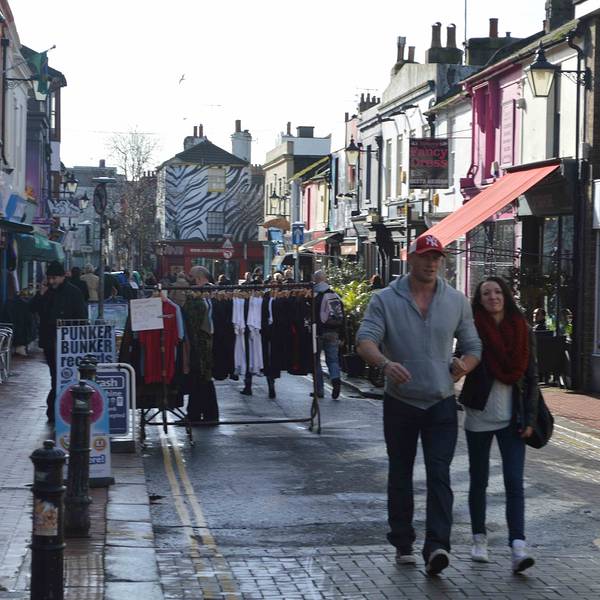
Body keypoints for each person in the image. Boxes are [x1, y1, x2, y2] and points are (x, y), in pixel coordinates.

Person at [356, 234, 481, 575]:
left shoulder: (456, 301)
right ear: (410, 258)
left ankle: (438, 546)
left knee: (439, 474)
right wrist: (385, 364)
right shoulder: (385, 299)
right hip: (401, 402)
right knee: (401, 472)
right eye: (425, 256)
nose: (431, 263)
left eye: (436, 257)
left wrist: (464, 365)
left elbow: (473, 346)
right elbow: (365, 340)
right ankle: (403, 542)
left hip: (441, 402)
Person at [458, 277, 538, 573]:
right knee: (478, 480)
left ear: (505, 295)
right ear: (479, 300)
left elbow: (532, 377)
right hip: (479, 414)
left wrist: (530, 418)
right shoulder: (472, 328)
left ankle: (518, 546)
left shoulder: (522, 329)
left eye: (497, 291)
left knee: (514, 482)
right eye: (486, 293)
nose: (493, 296)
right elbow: (461, 358)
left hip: (512, 418)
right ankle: (479, 538)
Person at [29, 261, 87, 422]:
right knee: (55, 375)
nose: (51, 281)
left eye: (54, 278)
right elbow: (31, 308)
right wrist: (40, 294)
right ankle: (55, 410)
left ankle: (56, 410)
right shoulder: (46, 292)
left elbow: (82, 317)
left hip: (68, 343)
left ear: (62, 277)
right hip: (49, 341)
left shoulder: (73, 292)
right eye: (49, 278)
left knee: (61, 376)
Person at [182, 265, 219, 423]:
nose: (189, 280)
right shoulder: (211, 292)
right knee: (204, 378)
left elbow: (192, 321)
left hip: (201, 341)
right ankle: (206, 414)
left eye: (191, 277)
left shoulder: (199, 296)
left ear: (198, 278)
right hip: (206, 339)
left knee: (199, 377)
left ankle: (197, 414)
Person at [313, 270, 345, 400]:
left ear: (316, 279)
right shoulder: (335, 295)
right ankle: (336, 381)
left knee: (316, 361)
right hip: (334, 332)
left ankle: (319, 390)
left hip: (318, 333)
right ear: (325, 279)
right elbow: (342, 315)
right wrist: (342, 335)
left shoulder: (315, 295)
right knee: (333, 360)